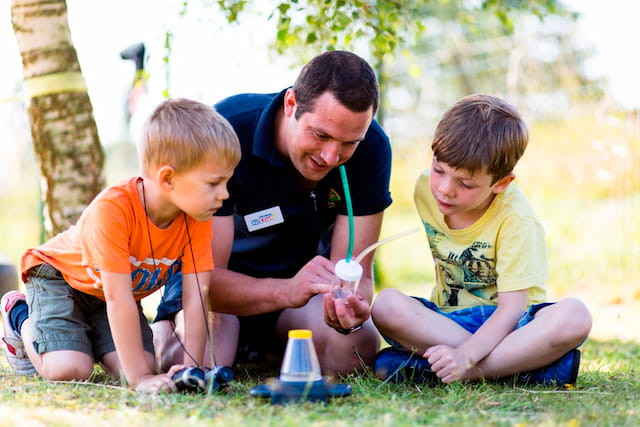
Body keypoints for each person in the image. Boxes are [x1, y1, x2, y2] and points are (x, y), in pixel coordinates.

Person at [152, 50, 392, 376]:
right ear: (291, 104)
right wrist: (285, 290)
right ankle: (159, 334)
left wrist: (348, 307)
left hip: (299, 300)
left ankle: (266, 350)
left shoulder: (372, 149)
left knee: (354, 351)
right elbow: (206, 280)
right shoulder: (227, 131)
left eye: (349, 142)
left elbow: (356, 273)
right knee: (202, 364)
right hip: (216, 297)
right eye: (320, 135)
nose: (331, 156)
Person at [1, 98, 241, 393]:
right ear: (168, 178)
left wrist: (193, 366)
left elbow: (196, 299)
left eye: (227, 182)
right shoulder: (114, 210)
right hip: (60, 277)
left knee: (144, 363)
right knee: (71, 369)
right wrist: (140, 380)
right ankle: (20, 316)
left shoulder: (198, 219)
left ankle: (78, 335)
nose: (225, 194)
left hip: (105, 293)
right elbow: (118, 299)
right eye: (214, 183)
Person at [371, 94, 592, 386]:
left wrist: (466, 358)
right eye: (439, 170)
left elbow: (512, 309)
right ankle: (524, 367)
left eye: (465, 183)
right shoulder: (426, 189)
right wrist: (462, 348)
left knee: (575, 316)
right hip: (449, 321)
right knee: (385, 305)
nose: (445, 190)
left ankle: (465, 371)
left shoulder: (517, 219)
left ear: (501, 183)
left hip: (515, 326)